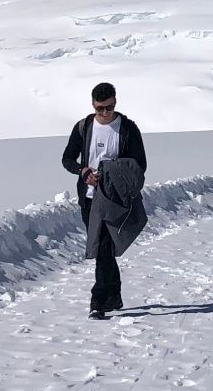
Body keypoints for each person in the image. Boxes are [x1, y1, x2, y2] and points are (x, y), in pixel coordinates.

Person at [60, 82, 148, 319]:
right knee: (104, 250)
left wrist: (111, 172)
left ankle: (97, 301)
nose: (105, 113)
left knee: (103, 247)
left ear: (115, 102)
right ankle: (114, 294)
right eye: (100, 108)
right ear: (93, 105)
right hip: (89, 199)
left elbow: (139, 165)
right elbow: (67, 159)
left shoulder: (128, 129)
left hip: (114, 199)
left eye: (109, 107)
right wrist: (83, 172)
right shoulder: (83, 127)